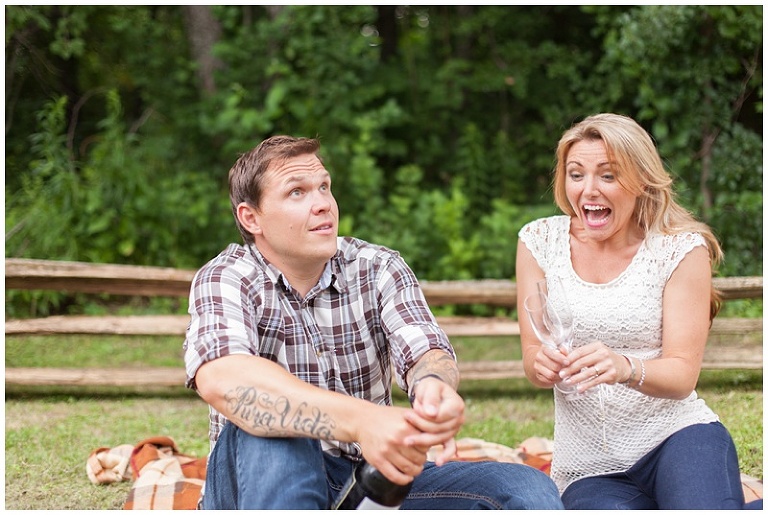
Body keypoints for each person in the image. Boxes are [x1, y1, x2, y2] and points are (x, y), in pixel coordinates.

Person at [183, 135, 564, 510]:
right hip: (256, 480)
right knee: (281, 427)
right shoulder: (227, 277)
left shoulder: (377, 266)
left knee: (523, 486)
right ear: (251, 218)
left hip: (369, 478)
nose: (323, 204)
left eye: (324, 187)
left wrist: (433, 388)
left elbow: (425, 350)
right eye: (297, 192)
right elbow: (225, 379)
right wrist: (363, 421)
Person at [516, 113, 760, 510]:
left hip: (678, 436)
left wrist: (624, 367)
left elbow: (682, 375)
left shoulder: (680, 249)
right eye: (576, 175)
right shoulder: (538, 241)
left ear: (641, 181)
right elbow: (532, 353)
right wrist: (540, 365)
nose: (589, 190)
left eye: (608, 175)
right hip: (590, 469)